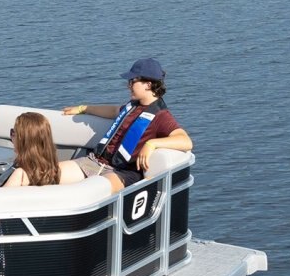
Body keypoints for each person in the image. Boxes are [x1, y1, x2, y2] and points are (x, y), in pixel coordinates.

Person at [61, 57, 193, 192]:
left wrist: (151, 144)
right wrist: (83, 108)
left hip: (122, 173)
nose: (128, 86)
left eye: (132, 81)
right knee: (50, 174)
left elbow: (186, 141)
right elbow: (113, 111)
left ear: (148, 84)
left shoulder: (161, 116)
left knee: (91, 190)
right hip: (95, 162)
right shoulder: (132, 106)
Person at [0, 112, 82, 188]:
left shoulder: (21, 174)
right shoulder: (48, 168)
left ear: (24, 140)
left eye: (13, 132)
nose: (11, 135)